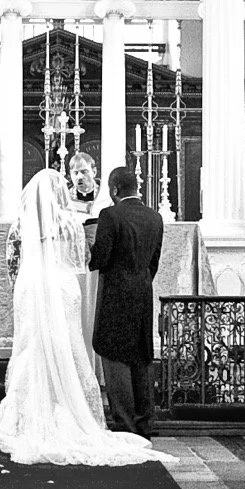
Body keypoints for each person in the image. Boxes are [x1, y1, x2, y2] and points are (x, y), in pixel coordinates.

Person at [0, 167, 154, 466]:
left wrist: (22, 284)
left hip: (33, 286)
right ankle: (73, 408)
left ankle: (28, 413)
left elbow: (12, 261)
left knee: (33, 345)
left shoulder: (21, 224)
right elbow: (82, 260)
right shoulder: (70, 222)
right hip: (65, 286)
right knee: (66, 345)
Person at [87, 163, 164, 440]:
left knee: (113, 353)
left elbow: (101, 258)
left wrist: (89, 247)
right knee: (141, 355)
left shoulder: (110, 215)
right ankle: (145, 423)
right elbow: (154, 260)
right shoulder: (155, 217)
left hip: (115, 293)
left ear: (114, 190)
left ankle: (125, 424)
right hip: (143, 291)